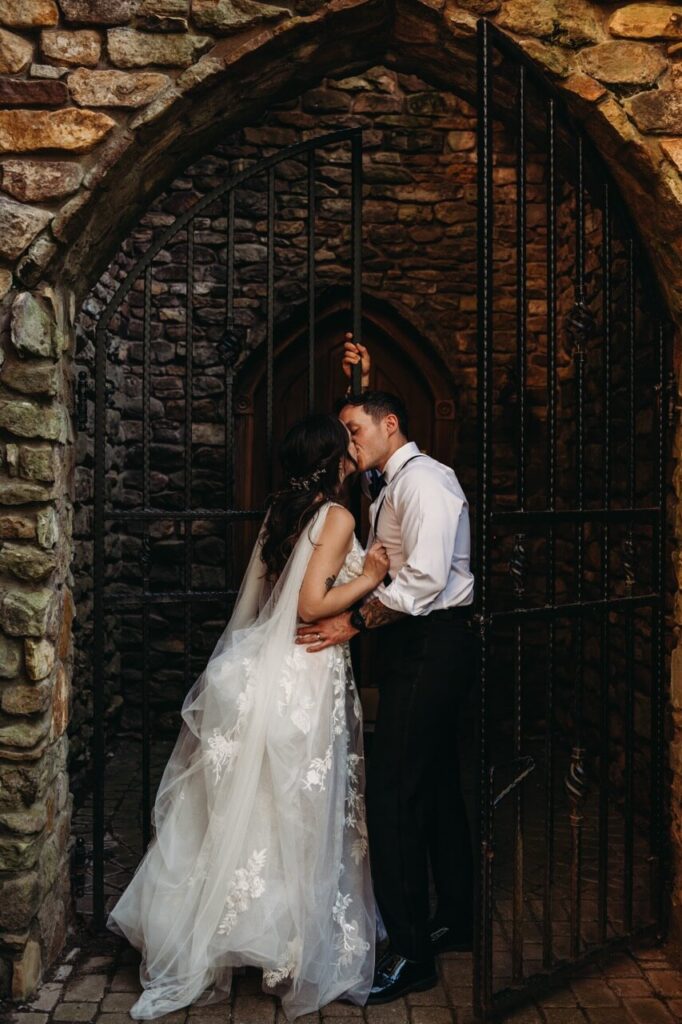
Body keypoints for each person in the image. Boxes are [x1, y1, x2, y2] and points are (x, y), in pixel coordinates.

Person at [107, 414, 390, 1021]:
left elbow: (265, 600)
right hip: (301, 676)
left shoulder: (283, 512)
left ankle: (243, 938)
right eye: (346, 445)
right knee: (294, 813)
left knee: (251, 811)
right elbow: (311, 604)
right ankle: (285, 948)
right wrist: (368, 580)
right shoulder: (337, 517)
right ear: (333, 458)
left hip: (259, 668)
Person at [296, 339, 476, 1004]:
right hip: (421, 643)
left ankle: (411, 952)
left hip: (431, 640)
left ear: (390, 426)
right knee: (433, 787)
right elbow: (373, 485)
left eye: (355, 430)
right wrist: (361, 379)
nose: (349, 445)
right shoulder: (393, 479)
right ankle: (458, 916)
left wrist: (354, 621)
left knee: (394, 795)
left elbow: (424, 581)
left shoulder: (426, 481)